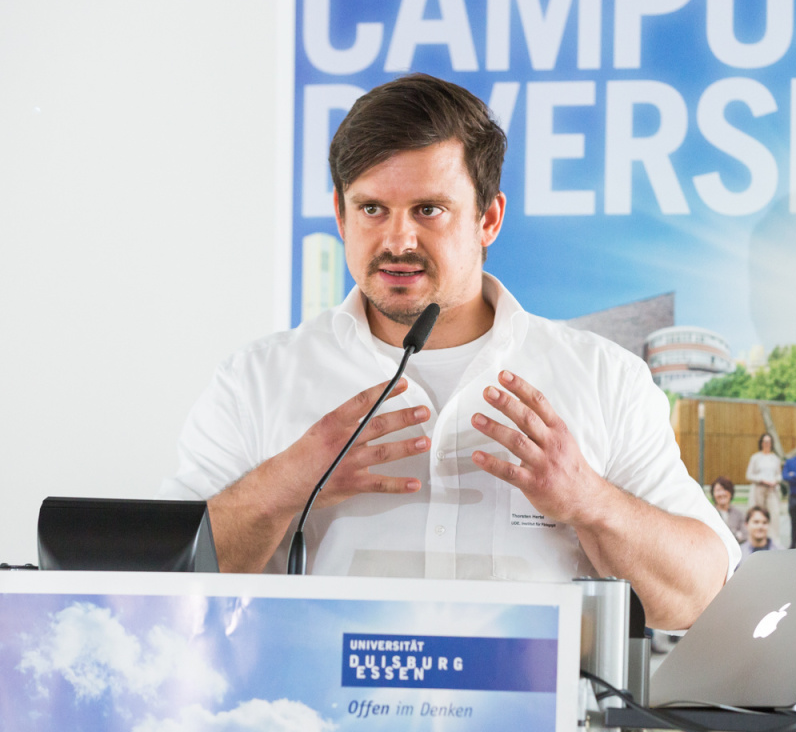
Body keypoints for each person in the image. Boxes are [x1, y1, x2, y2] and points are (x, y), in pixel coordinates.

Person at [158, 73, 738, 630]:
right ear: (340, 215)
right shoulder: (256, 381)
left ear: (489, 219)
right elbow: (158, 591)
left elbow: (701, 597)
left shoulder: (605, 378)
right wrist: (284, 485)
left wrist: (591, 501)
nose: (398, 240)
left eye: (428, 210)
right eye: (372, 209)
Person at [745, 433, 783, 538]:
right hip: (759, 489)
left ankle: (773, 539)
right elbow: (749, 475)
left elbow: (779, 475)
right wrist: (762, 480)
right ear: (761, 443)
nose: (767, 444)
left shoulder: (775, 458)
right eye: (765, 441)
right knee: (757, 514)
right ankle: (756, 537)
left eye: (769, 442)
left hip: (771, 490)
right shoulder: (755, 457)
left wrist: (775, 481)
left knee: (774, 514)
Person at [711, 476, 747, 543]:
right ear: (713, 494)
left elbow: (744, 535)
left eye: (725, 489)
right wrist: (735, 534)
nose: (722, 493)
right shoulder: (709, 513)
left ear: (731, 493)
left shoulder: (739, 514)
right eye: (718, 490)